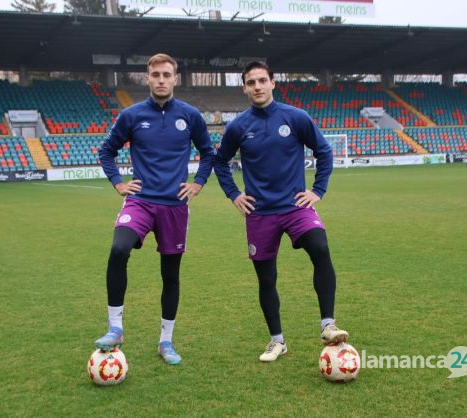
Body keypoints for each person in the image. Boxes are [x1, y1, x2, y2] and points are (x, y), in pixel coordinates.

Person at [213, 61, 349, 362]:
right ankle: (277, 341)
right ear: (245, 87)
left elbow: (324, 151)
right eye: (251, 82)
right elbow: (219, 161)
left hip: (295, 207)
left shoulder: (295, 117)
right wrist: (234, 194)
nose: (257, 87)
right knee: (266, 278)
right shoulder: (238, 127)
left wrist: (318, 190)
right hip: (260, 214)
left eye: (262, 80)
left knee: (320, 248)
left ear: (273, 83)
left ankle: (328, 324)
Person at [95, 53, 214, 365]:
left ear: (175, 78)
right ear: (147, 78)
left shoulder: (190, 116)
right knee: (119, 249)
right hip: (141, 200)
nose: (161, 80)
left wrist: (198, 183)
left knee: (170, 274)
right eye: (156, 75)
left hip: (175, 206)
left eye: (166, 74)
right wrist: (119, 182)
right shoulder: (131, 116)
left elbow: (209, 152)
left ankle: (166, 341)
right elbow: (106, 151)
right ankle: (116, 327)